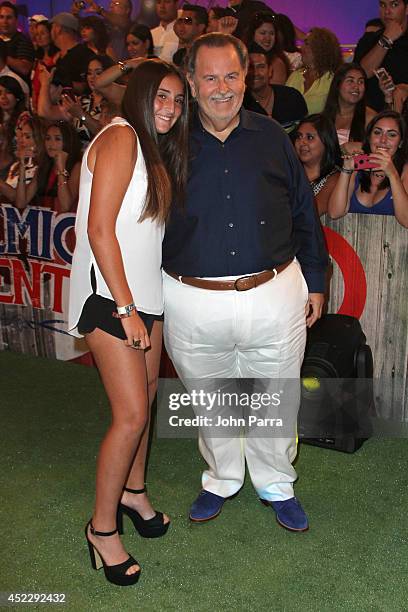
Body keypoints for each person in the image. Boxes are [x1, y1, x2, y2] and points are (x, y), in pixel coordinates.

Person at [162, 33, 328, 532]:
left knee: (277, 396)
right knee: (209, 398)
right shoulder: (166, 143)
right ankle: (221, 477)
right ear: (190, 83)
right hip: (192, 299)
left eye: (231, 75)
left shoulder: (274, 136)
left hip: (275, 290)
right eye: (209, 77)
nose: (222, 88)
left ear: (247, 77)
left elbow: (304, 212)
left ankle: (276, 482)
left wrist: (316, 280)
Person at [67, 59, 189, 586]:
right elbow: (98, 230)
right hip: (111, 301)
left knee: (147, 404)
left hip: (146, 298)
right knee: (131, 416)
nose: (171, 108)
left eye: (178, 101)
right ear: (139, 94)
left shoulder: (150, 147)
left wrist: (145, 306)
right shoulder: (120, 138)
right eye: (162, 96)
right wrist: (125, 308)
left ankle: (135, 494)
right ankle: (101, 528)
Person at [327, 110, 408, 227]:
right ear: (369, 138)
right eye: (377, 132)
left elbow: (406, 221)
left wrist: (392, 174)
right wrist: (346, 170)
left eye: (392, 135)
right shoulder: (357, 168)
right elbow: (334, 213)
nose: (383, 140)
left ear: (400, 142)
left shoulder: (405, 170)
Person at [15, 121, 81, 212]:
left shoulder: (77, 167)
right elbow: (21, 203)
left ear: (67, 141)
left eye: (57, 139)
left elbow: (66, 206)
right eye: (48, 138)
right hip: (45, 222)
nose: (51, 143)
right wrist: (22, 165)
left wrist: (61, 169)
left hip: (66, 223)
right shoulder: (44, 167)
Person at [354, 0, 408, 112]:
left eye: (394, 5)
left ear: (407, 8)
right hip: (371, 116)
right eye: (382, 5)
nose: (387, 11)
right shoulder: (369, 40)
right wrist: (386, 40)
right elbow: (362, 73)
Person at [243, 43, 307, 129]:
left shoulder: (292, 97)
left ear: (270, 71)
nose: (255, 73)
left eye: (261, 67)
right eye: (250, 67)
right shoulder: (240, 104)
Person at [286, 27, 343, 115]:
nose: (302, 48)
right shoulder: (295, 76)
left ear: (321, 48)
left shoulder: (333, 79)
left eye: (307, 44)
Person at [294, 114, 342, 216]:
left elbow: (312, 212)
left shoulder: (335, 177)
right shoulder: (289, 173)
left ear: (326, 141)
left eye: (309, 137)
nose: (302, 142)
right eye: (299, 136)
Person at [323, 63, 376, 153]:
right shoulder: (325, 116)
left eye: (360, 82)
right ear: (338, 85)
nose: (356, 87)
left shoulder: (371, 118)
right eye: (350, 81)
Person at [242, 11, 289, 84]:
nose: (267, 38)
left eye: (271, 34)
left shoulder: (277, 63)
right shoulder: (242, 57)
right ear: (252, 34)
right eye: (263, 33)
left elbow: (276, 93)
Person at [0, 1, 35, 80]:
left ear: (16, 20)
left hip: (16, 89)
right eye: (1, 17)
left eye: (9, 17)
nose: (5, 22)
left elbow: (25, 69)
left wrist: (3, 57)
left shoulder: (22, 41)